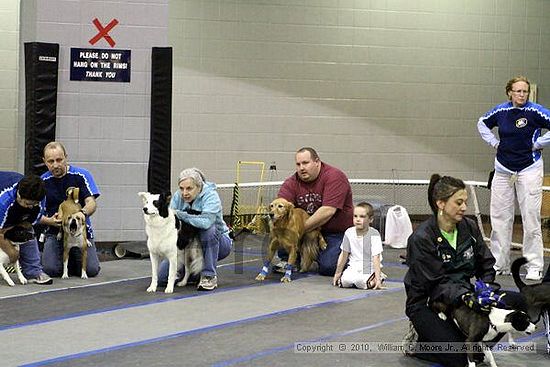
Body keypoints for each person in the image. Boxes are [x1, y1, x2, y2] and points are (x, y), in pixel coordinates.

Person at [403, 174, 528, 367]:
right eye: (458, 202)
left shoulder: (469, 227)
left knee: (518, 302)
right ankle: (420, 343)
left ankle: (477, 345)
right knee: (460, 358)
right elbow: (436, 283)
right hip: (430, 302)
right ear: (441, 204)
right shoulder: (421, 238)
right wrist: (465, 297)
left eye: (465, 202)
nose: (464, 208)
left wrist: (486, 289)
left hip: (465, 298)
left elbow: (486, 263)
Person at [477, 76, 550, 281]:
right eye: (517, 91)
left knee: (530, 218)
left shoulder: (535, 111)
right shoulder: (501, 111)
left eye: (525, 91)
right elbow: (482, 123)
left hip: (529, 169)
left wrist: (539, 143)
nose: (521, 95)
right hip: (502, 169)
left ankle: (533, 265)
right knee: (499, 217)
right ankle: (499, 263)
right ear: (509, 92)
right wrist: (494, 143)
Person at [277, 147, 353, 276]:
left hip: (335, 232)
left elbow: (327, 211)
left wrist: (297, 230)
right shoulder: (291, 183)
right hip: (308, 232)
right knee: (279, 224)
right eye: (298, 164)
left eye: (305, 163)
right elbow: (281, 206)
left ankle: (351, 253)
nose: (301, 168)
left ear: (317, 162)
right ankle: (292, 257)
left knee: (329, 267)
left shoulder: (334, 177)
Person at [159, 167, 232, 291]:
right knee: (162, 279)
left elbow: (206, 223)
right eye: (181, 188)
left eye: (189, 188)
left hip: (218, 243)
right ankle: (194, 274)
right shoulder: (178, 197)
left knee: (208, 230)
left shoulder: (211, 196)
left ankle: (209, 275)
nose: (184, 193)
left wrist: (182, 215)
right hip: (187, 241)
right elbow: (171, 219)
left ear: (199, 187)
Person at [39, 142, 101, 278]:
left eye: (59, 160)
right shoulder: (42, 182)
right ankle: (60, 255)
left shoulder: (82, 175)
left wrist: (82, 213)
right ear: (44, 162)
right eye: (51, 161)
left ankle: (73, 257)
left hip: (80, 231)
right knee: (50, 270)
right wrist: (48, 221)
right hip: (55, 232)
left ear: (66, 157)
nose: (55, 165)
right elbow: (36, 214)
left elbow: (91, 202)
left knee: (91, 270)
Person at [0, 171, 53, 284]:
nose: (31, 207)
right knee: (10, 251)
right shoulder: (4, 200)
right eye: (28, 204)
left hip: (14, 208)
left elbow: (29, 224)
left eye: (34, 204)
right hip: (4, 201)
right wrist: (12, 254)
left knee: (26, 231)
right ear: (19, 195)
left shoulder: (39, 198)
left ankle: (33, 271)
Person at [332, 202, 383, 290]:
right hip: (353, 266)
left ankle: (378, 277)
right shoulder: (349, 232)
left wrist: (378, 279)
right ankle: (362, 278)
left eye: (362, 217)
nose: (358, 219)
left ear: (370, 219)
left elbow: (376, 257)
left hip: (368, 266)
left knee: (361, 282)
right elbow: (344, 254)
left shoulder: (374, 234)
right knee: (345, 282)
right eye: (355, 216)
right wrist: (337, 273)